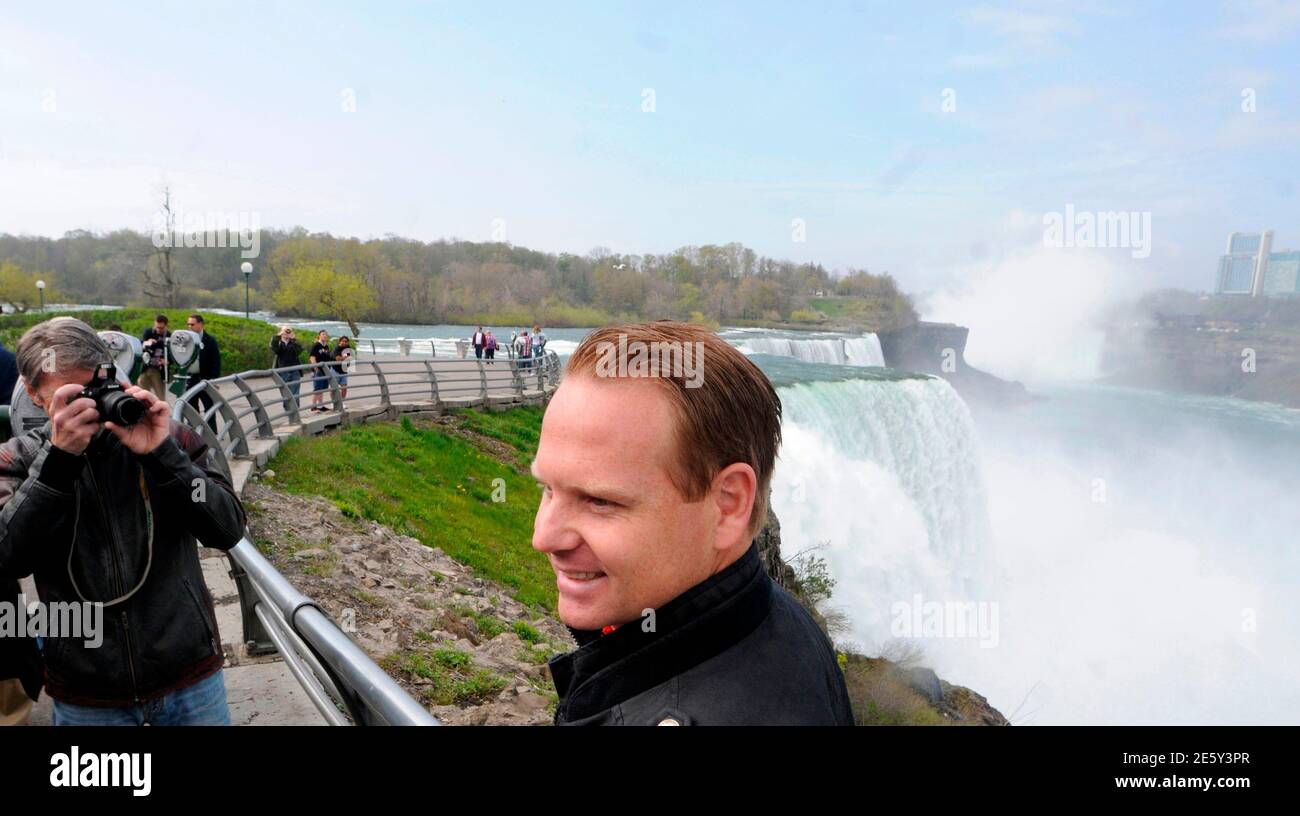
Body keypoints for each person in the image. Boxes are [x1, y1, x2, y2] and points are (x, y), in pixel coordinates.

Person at [532, 321, 854, 725]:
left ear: (728, 505)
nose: (543, 537)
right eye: (547, 489)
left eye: (599, 501)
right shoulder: (779, 619)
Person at [0, 318, 247, 725]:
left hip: (189, 678)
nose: (90, 407)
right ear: (32, 393)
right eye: (72, 398)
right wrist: (58, 464)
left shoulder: (170, 439)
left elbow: (227, 529)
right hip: (88, 693)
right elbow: (8, 557)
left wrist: (162, 455)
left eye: (96, 389)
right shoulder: (18, 459)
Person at [185, 314, 221, 433]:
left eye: (192, 324)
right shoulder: (186, 340)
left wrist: (213, 379)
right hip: (190, 379)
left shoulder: (210, 340)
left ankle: (213, 433)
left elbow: (216, 361)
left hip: (205, 380)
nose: (190, 327)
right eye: (188, 324)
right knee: (192, 408)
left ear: (200, 324)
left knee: (209, 407)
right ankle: (194, 435)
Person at [270, 325, 303, 414]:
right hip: (283, 370)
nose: (287, 333)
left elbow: (300, 350)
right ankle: (288, 409)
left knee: (295, 390)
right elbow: (273, 348)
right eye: (285, 331)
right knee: (285, 390)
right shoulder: (278, 342)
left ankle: (295, 409)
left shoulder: (293, 343)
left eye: (289, 331)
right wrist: (279, 335)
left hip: (295, 369)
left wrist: (293, 339)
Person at [138, 314, 170, 401]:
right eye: (157, 327)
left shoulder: (169, 336)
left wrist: (167, 361)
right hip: (146, 367)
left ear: (166, 326)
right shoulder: (148, 332)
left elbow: (172, 354)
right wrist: (146, 342)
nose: (159, 330)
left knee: (160, 395)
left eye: (161, 328)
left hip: (158, 369)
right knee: (142, 389)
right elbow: (140, 346)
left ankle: (161, 408)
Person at [307, 330, 331, 413]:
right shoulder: (316, 345)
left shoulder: (326, 346)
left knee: (322, 389)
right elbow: (312, 357)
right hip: (318, 370)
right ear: (319, 336)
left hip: (326, 370)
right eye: (323, 334)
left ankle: (320, 405)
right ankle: (313, 406)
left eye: (326, 334)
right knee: (317, 388)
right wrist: (315, 367)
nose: (324, 336)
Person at [332, 335, 353, 404]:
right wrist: (346, 357)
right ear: (340, 341)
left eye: (346, 341)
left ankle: (341, 402)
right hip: (335, 370)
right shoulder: (337, 348)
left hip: (344, 370)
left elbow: (350, 359)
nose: (344, 342)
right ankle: (334, 403)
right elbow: (338, 359)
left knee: (344, 388)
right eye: (343, 341)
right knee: (334, 389)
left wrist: (346, 359)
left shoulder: (348, 348)